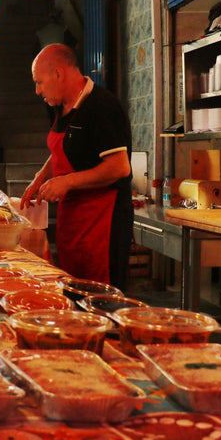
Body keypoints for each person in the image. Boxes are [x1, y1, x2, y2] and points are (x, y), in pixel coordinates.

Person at [19, 43, 134, 289]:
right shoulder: (60, 107)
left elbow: (119, 167)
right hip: (73, 219)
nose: (37, 91)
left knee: (102, 301)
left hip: (102, 223)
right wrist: (40, 177)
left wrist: (67, 181)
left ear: (58, 74)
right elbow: (63, 150)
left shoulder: (101, 106)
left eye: (39, 82)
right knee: (74, 291)